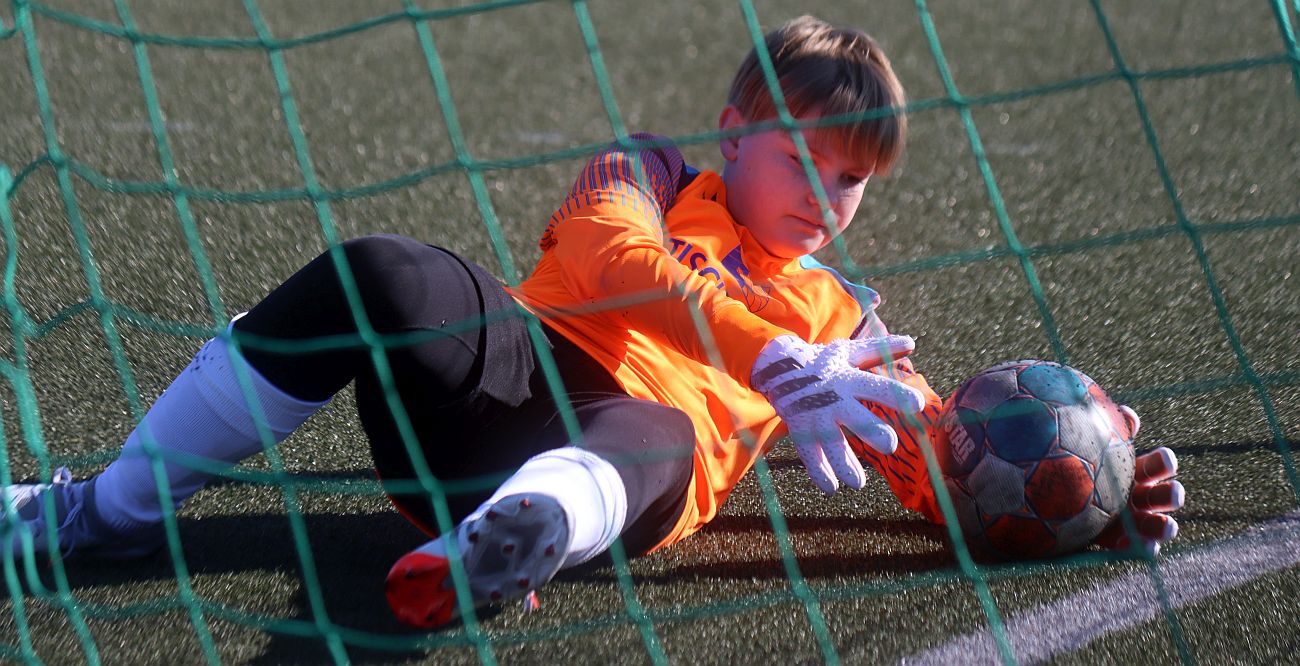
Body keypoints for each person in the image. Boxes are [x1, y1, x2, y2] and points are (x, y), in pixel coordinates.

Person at [1, 16, 1183, 630]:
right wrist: (767, 356)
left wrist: (1074, 492)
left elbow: (931, 453)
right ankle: (101, 515)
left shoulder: (842, 318)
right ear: (733, 135)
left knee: (661, 436)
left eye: (853, 179)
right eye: (801, 159)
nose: (827, 196)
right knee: (381, 269)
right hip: (492, 395)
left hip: (622, 462)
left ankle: (509, 541)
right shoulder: (639, 179)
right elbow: (613, 259)